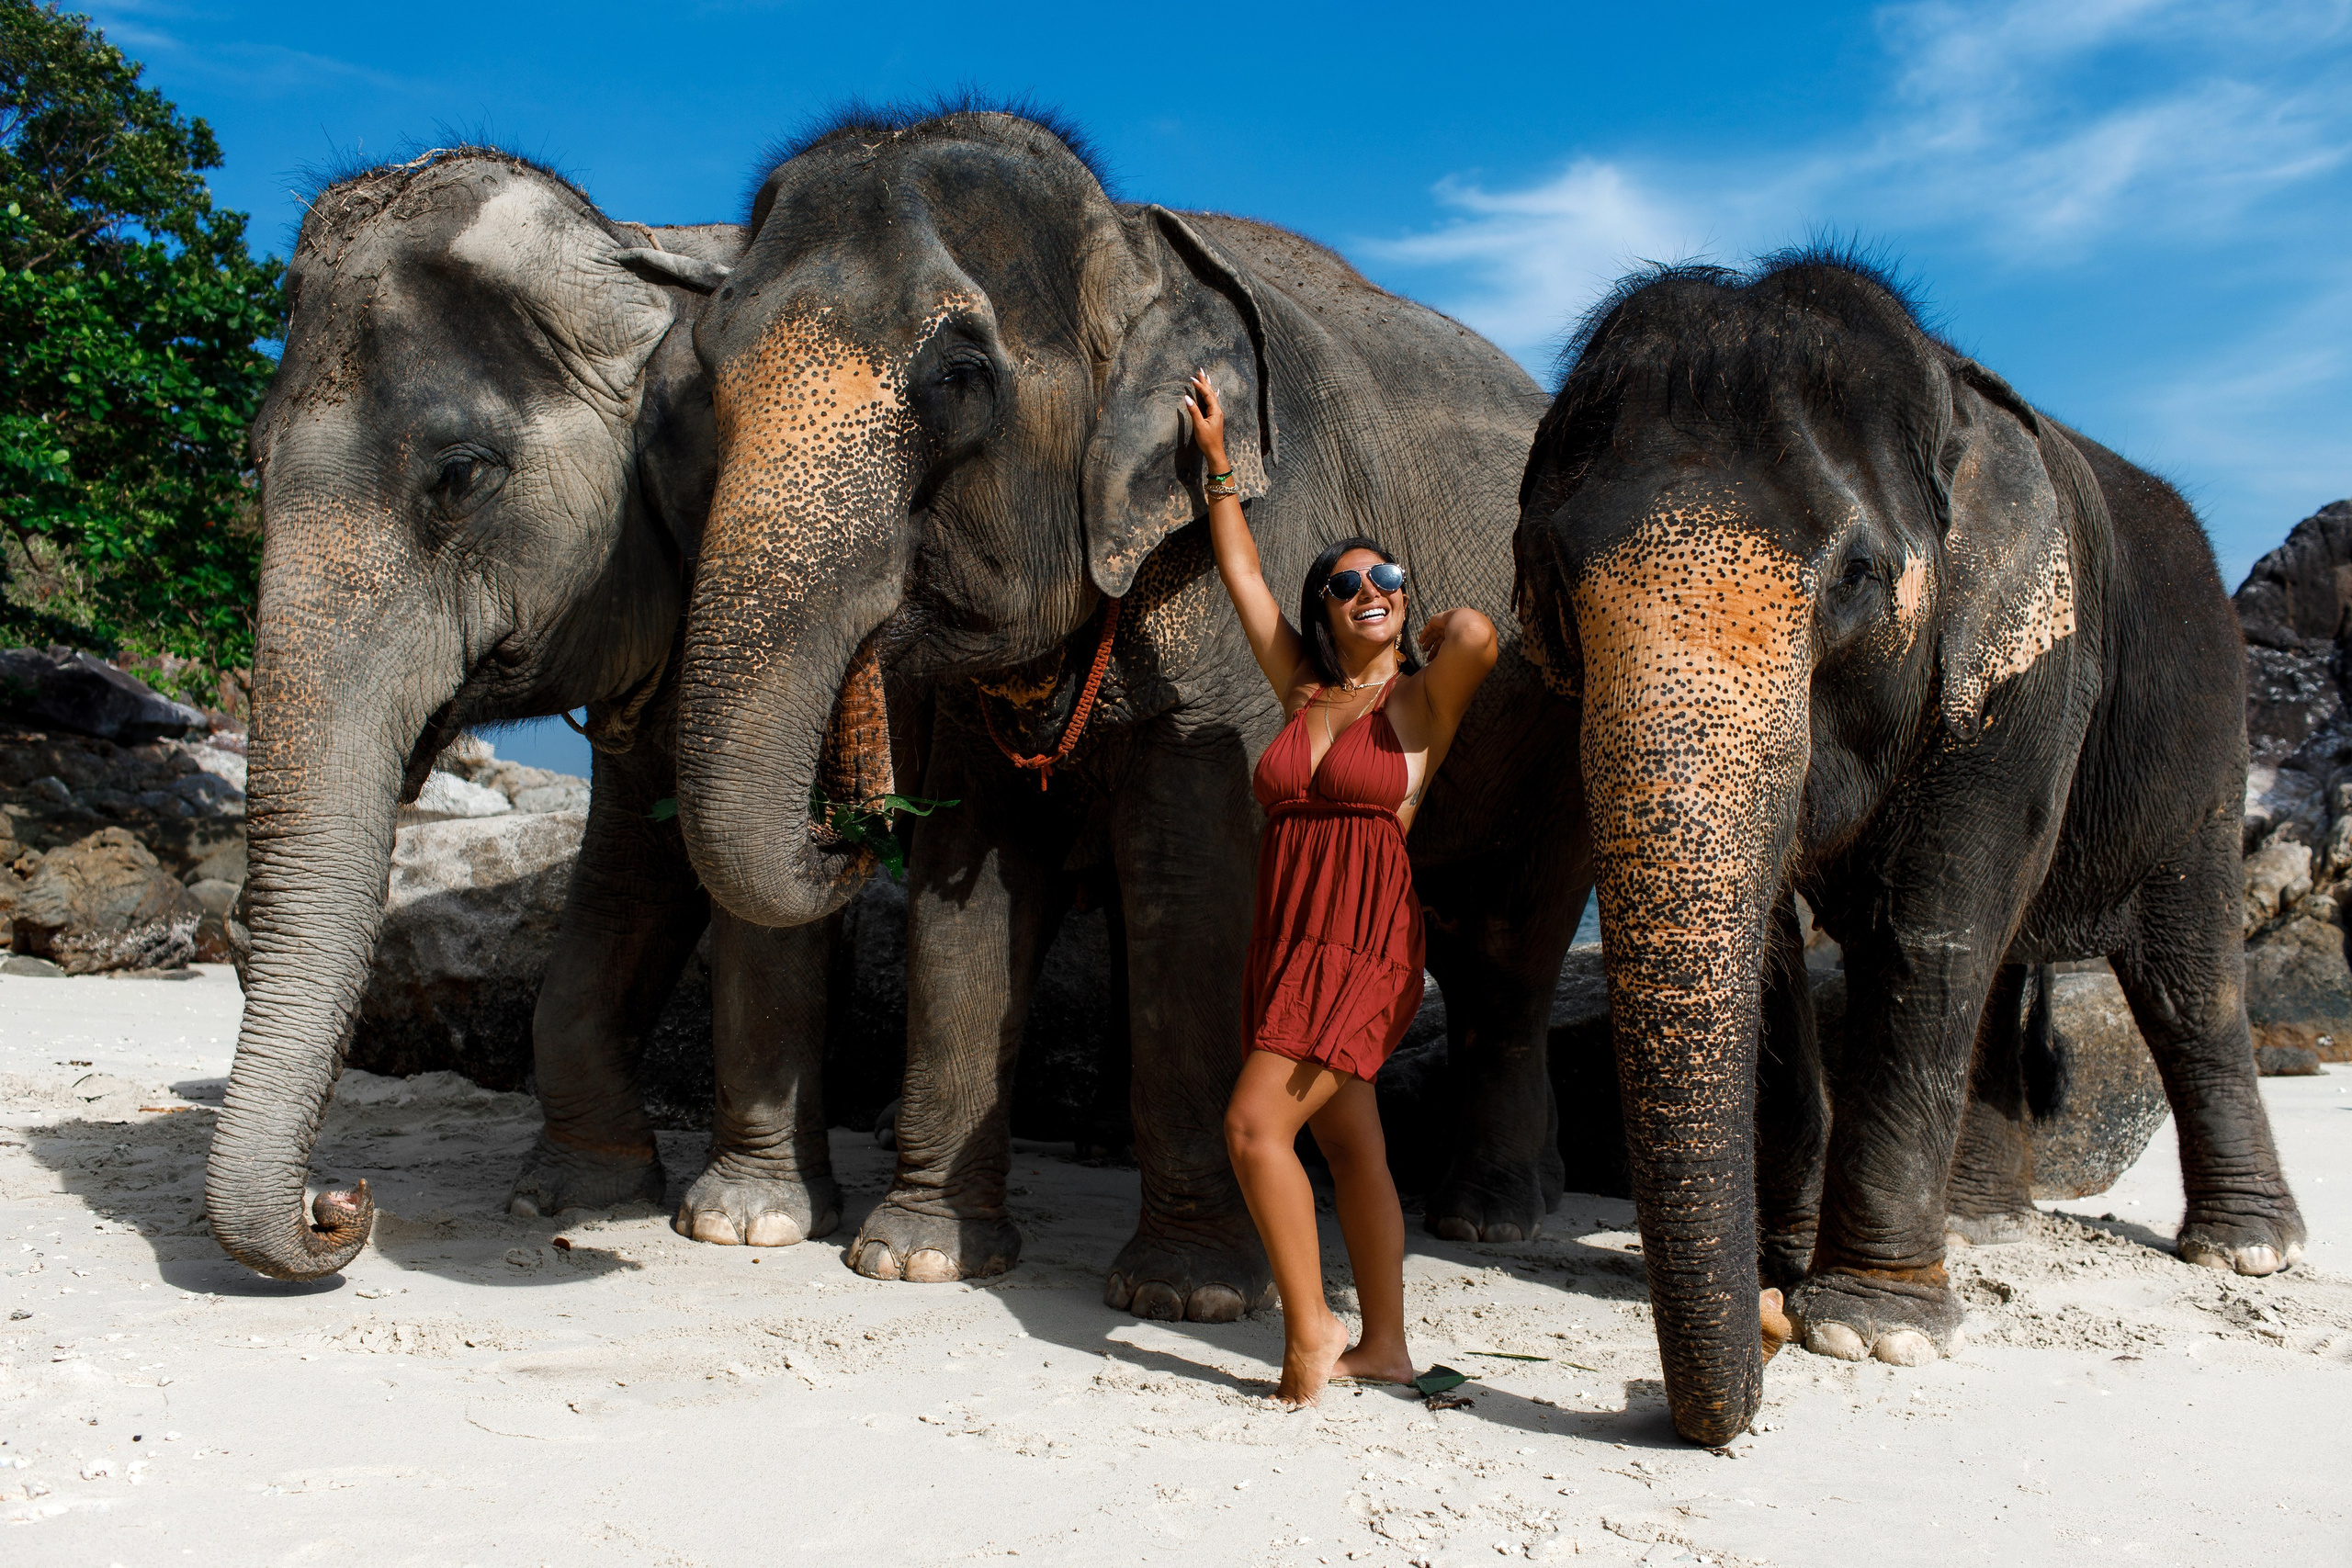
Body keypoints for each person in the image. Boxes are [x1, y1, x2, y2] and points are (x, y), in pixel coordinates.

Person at [1183, 369, 1499, 1406]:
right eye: (1347, 585)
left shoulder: (1417, 704)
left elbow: (1477, 639)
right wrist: (1216, 463)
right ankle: (1390, 1346)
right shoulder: (1302, 690)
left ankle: (1311, 1328)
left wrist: (1424, 609)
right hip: (1288, 929)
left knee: (1251, 1128)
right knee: (1347, 1139)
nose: (1372, 592)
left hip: (1362, 938)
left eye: (1386, 578)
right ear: (1321, 615)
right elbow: (1241, 574)